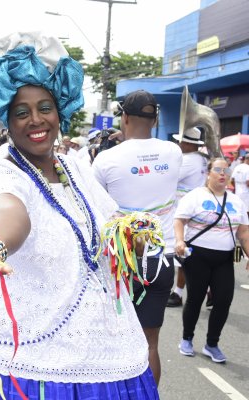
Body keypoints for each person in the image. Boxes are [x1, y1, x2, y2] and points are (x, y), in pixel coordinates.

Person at [0, 32, 159, 400]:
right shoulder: (0, 169)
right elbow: (8, 209)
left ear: (60, 110)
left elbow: (104, 219)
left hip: (95, 337)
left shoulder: (73, 166)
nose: (36, 120)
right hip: (14, 350)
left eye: (44, 108)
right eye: (21, 112)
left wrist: (129, 233)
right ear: (5, 119)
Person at [92, 89, 182, 385]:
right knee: (151, 343)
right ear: (155, 119)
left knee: (114, 340)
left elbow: (96, 209)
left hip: (121, 260)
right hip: (161, 259)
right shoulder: (174, 151)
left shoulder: (106, 159)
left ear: (125, 117)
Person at [175, 157, 249, 362]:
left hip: (224, 258)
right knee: (195, 298)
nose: (223, 173)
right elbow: (180, 220)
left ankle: (212, 344)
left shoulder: (236, 201)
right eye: (218, 169)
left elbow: (243, 233)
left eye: (227, 170)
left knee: (223, 300)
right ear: (209, 173)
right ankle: (187, 338)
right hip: (197, 255)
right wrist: (180, 240)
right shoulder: (195, 196)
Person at [167, 127, 208, 307]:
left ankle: (178, 293)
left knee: (183, 253)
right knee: (193, 254)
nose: (178, 143)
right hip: (197, 208)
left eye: (180, 141)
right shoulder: (202, 159)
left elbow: (169, 178)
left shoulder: (189, 160)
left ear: (187, 143)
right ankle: (209, 290)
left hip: (186, 211)